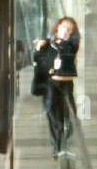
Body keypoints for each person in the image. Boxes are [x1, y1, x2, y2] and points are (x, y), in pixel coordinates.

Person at [33, 16, 80, 156]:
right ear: (58, 26)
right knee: (53, 114)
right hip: (50, 84)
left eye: (70, 29)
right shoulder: (48, 44)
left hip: (65, 83)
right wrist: (40, 47)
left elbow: (71, 50)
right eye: (64, 27)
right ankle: (57, 144)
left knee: (69, 113)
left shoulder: (70, 45)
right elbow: (38, 59)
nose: (66, 31)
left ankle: (64, 142)